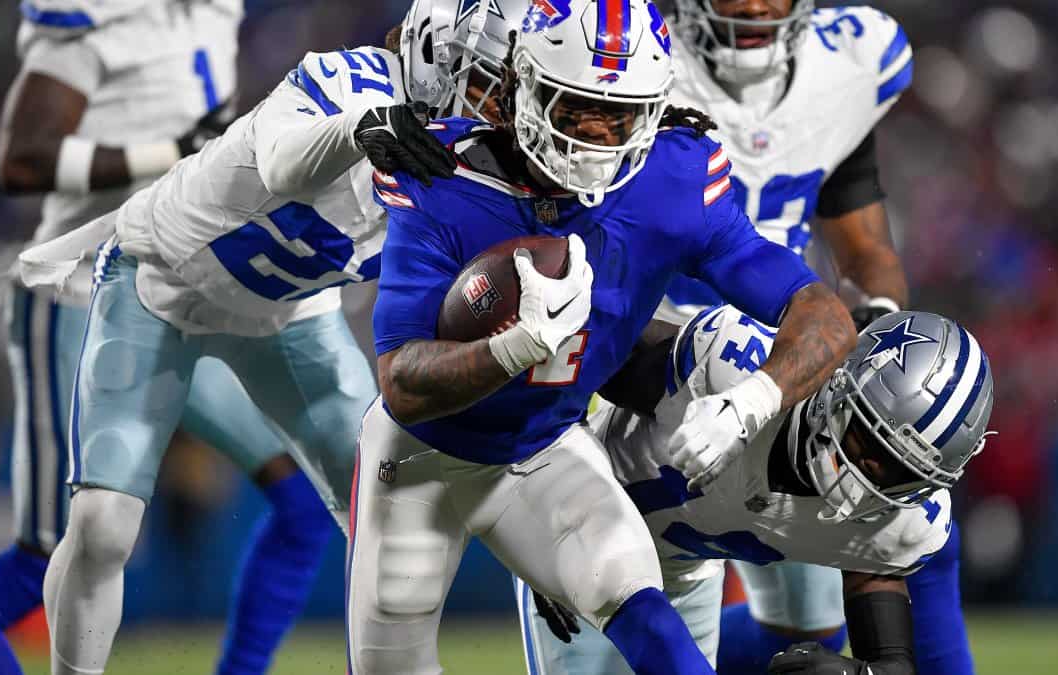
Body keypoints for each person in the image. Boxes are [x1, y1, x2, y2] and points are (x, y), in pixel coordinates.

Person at [348, 0, 856, 672]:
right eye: (574, 107)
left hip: (543, 449)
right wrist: (512, 346)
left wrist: (753, 399)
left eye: (617, 115)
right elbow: (402, 384)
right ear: (521, 85)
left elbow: (821, 311)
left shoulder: (671, 180)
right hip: (419, 459)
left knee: (633, 588)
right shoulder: (443, 175)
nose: (593, 136)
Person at [16, 0, 503, 671]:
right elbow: (282, 164)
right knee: (102, 523)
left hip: (288, 316)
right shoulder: (344, 80)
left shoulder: (482, 168)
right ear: (432, 57)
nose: (492, 100)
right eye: (481, 79)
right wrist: (356, 130)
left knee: (392, 518)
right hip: (161, 284)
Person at [0, 2, 338, 674]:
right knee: (47, 550)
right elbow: (24, 159)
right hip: (76, 294)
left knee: (305, 501)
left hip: (174, 292)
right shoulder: (98, 14)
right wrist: (167, 153)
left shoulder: (219, 10)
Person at [650, 1, 973, 671]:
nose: (756, 6)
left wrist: (871, 325)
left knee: (895, 542)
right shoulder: (626, 59)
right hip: (644, 378)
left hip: (783, 372)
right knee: (645, 608)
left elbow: (867, 255)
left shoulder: (845, 70)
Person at [519, 307, 994, 675]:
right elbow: (585, 342)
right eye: (868, 440)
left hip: (686, 573)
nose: (868, 473)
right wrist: (559, 497)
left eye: (898, 471)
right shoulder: (734, 370)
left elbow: (890, 655)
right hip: (591, 524)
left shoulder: (904, 522)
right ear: (841, 388)